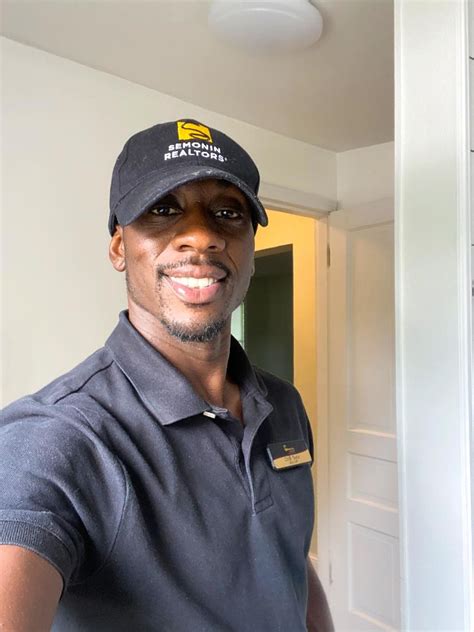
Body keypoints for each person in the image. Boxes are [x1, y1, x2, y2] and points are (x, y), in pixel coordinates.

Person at [0, 119, 334, 631]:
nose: (202, 235)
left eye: (228, 213)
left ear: (249, 248)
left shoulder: (283, 404)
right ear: (119, 247)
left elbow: (287, 559)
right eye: (163, 209)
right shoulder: (59, 437)